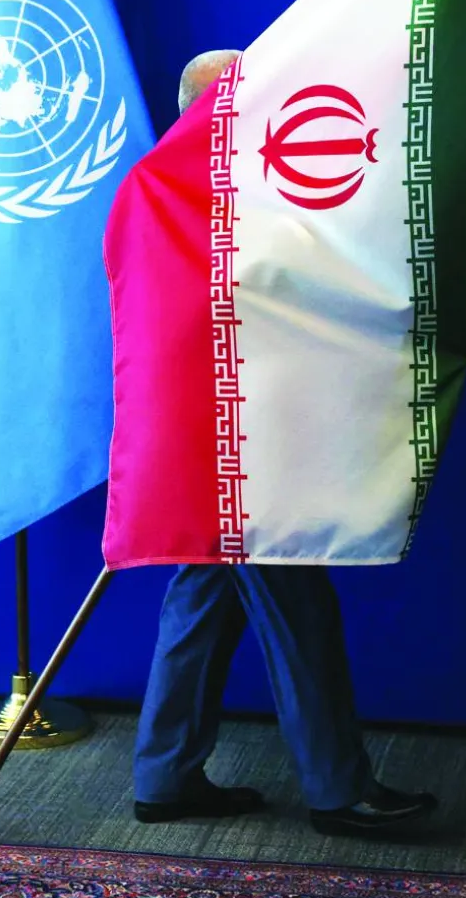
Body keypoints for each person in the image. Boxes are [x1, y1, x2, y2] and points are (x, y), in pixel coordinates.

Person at [130, 50, 439, 839]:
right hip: (244, 438)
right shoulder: (229, 197)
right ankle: (340, 790)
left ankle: (165, 776)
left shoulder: (148, 190)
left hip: (197, 438)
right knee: (297, 604)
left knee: (200, 602)